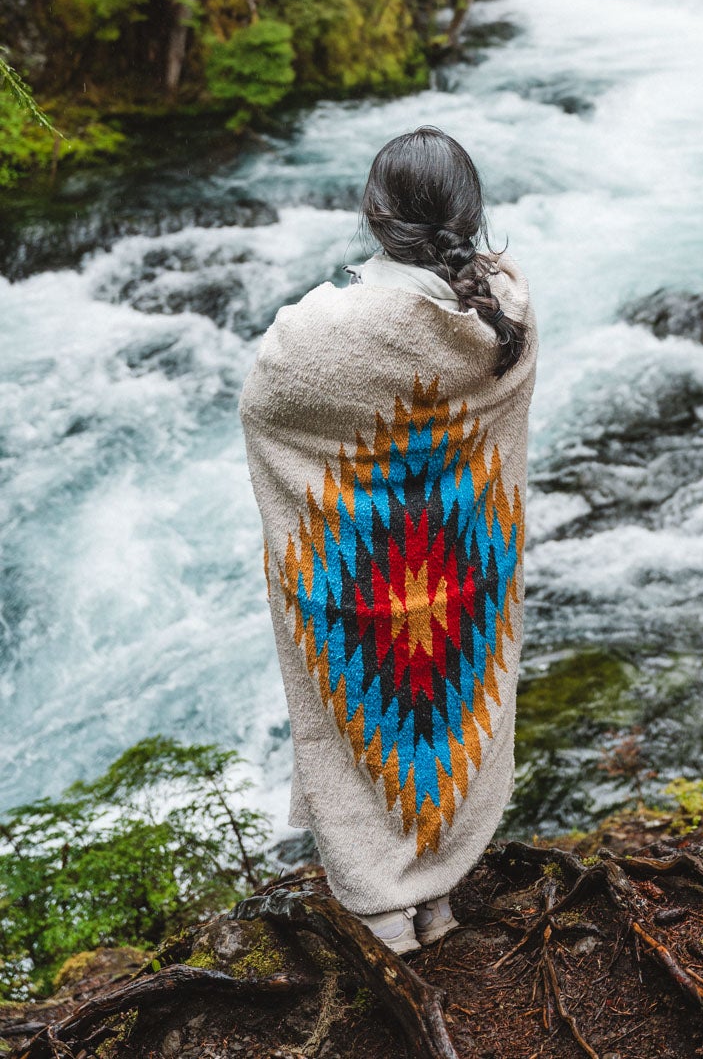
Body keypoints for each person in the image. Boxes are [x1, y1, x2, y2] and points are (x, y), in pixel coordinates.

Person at [241, 127, 536, 954]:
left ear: (375, 215)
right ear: (468, 215)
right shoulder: (505, 312)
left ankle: (382, 910)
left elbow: (264, 407)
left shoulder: (322, 332)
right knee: (445, 715)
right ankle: (438, 893)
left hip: (356, 579)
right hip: (461, 572)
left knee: (365, 713)